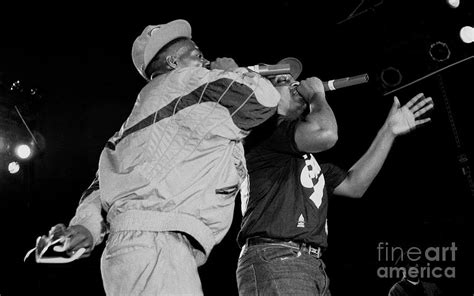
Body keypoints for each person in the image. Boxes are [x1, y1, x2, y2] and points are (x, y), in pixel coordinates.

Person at [44, 19, 281, 295]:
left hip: (131, 253)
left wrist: (84, 227)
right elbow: (261, 100)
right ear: (172, 62)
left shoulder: (130, 128)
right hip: (156, 248)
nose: (205, 62)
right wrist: (233, 70)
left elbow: (99, 188)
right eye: (197, 54)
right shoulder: (187, 82)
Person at [236, 58, 434, 295]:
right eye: (283, 81)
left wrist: (388, 131)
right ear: (265, 93)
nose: (295, 85)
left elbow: (354, 185)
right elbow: (326, 133)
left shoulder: (301, 158)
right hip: (276, 257)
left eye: (294, 80)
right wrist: (318, 95)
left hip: (308, 263)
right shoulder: (265, 132)